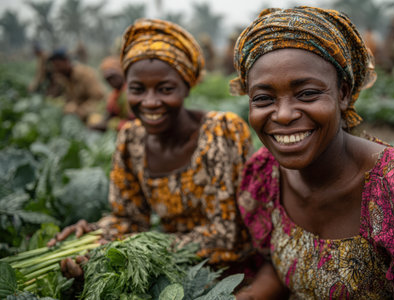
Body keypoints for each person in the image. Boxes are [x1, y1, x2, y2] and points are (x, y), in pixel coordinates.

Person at [229, 6, 394, 299]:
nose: (282, 115)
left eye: (307, 93)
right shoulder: (265, 175)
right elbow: (277, 267)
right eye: (263, 98)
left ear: (343, 93)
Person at [48, 18, 256, 277]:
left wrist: (129, 251)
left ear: (186, 87)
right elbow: (129, 219)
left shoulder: (221, 132)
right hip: (167, 269)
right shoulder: (130, 140)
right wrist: (94, 237)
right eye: (137, 89)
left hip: (232, 273)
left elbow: (228, 235)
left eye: (165, 89)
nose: (150, 102)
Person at [48, 49, 105, 123]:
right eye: (54, 66)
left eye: (58, 65)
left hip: (95, 113)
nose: (56, 69)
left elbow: (99, 100)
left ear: (66, 61)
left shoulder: (85, 74)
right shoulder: (63, 79)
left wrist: (79, 110)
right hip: (78, 116)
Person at [90, 55, 134, 131]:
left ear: (120, 72)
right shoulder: (114, 95)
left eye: (113, 76)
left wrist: (114, 125)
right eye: (108, 79)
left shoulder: (131, 91)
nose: (112, 81)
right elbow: (109, 114)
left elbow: (135, 121)